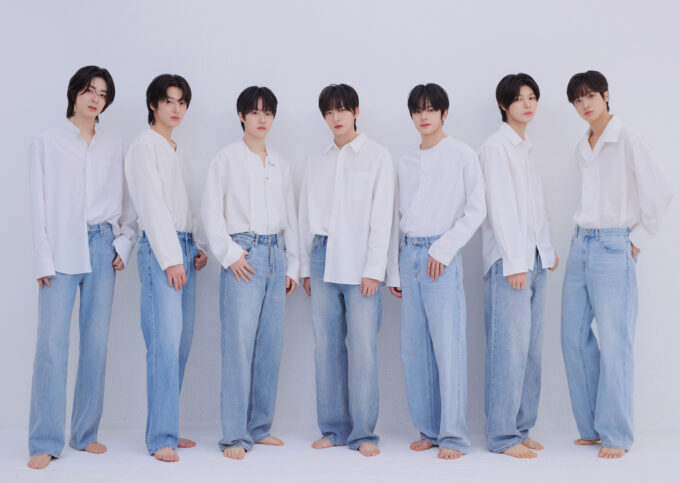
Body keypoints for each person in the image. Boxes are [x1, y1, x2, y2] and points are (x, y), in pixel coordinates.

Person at [27, 65, 137, 470]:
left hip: (102, 247)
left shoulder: (115, 144)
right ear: (74, 92)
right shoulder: (47, 141)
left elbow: (127, 203)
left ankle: (85, 432)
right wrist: (42, 257)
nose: (95, 99)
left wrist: (123, 243)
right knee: (51, 343)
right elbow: (37, 203)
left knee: (95, 343)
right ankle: (45, 440)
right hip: (60, 248)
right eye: (89, 90)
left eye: (103, 94)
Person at [561, 70, 673, 459]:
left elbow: (661, 191)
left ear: (606, 95)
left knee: (614, 341)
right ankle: (592, 428)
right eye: (577, 100)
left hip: (613, 246)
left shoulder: (629, 139)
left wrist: (635, 240)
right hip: (580, 243)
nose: (584, 105)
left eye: (590, 96)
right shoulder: (582, 146)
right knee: (572, 337)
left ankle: (617, 434)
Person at [386, 83, 486, 460]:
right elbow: (395, 217)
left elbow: (476, 209)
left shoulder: (462, 154)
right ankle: (428, 430)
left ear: (445, 113)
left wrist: (443, 249)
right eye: (418, 110)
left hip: (440, 257)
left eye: (431, 109)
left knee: (448, 347)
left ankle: (454, 436)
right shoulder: (405, 161)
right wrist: (394, 270)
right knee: (414, 349)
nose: (424, 116)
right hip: (409, 256)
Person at [201, 86, 299, 460]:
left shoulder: (281, 164)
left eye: (267, 113)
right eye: (254, 112)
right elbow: (211, 210)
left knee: (269, 346)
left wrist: (292, 264)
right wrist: (230, 254)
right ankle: (234, 435)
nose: (262, 119)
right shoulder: (226, 159)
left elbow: (290, 216)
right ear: (241, 116)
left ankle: (259, 427)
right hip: (244, 252)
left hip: (276, 255)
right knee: (238, 347)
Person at [298, 84, 395, 457]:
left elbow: (382, 218)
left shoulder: (377, 156)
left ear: (356, 111)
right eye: (328, 112)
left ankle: (363, 432)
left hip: (360, 259)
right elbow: (305, 214)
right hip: (322, 255)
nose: (335, 117)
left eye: (341, 109)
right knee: (326, 347)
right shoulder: (316, 159)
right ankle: (334, 429)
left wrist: (374, 269)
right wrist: (306, 266)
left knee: (364, 348)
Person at [124, 73, 208, 463]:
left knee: (181, 343)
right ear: (153, 104)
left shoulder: (176, 149)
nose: (176, 108)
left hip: (184, 246)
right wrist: (172, 258)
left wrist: (196, 246)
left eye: (181, 102)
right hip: (163, 251)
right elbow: (151, 205)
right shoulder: (144, 146)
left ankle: (168, 425)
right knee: (164, 342)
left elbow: (185, 203)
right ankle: (160, 437)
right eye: (168, 101)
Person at [478, 73, 558, 459]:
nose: (527, 104)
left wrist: (546, 250)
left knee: (530, 352)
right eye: (519, 98)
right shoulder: (496, 148)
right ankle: (501, 435)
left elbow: (534, 207)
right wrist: (513, 260)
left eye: (532, 97)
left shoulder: (527, 148)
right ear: (503, 105)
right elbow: (501, 209)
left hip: (535, 260)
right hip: (511, 262)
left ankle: (521, 428)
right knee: (507, 350)